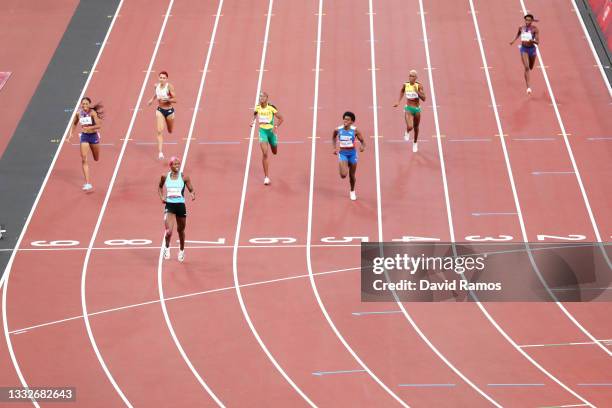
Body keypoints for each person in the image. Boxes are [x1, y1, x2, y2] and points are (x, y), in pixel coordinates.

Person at [159, 157, 195, 263]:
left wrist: (192, 194)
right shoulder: (164, 176)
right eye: (175, 164)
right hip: (169, 206)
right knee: (169, 231)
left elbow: (191, 189)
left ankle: (181, 250)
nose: (177, 166)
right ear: (170, 166)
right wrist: (162, 197)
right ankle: (166, 247)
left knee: (181, 230)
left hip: (180, 206)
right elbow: (160, 187)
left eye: (178, 164)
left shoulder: (184, 177)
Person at [68, 97, 103, 191]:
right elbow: (74, 123)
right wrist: (70, 134)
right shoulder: (79, 113)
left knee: (96, 158)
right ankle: (87, 183)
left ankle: (95, 153)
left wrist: (90, 128)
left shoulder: (92, 113)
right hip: (84, 137)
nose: (84, 105)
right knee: (84, 158)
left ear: (89, 104)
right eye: (83, 104)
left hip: (93, 136)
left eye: (86, 103)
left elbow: (99, 125)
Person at [251, 92, 283, 185]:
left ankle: (274, 142)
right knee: (265, 153)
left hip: (271, 133)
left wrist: (275, 126)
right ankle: (266, 177)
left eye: (262, 96)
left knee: (274, 152)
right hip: (263, 132)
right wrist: (252, 121)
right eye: (259, 96)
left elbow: (281, 118)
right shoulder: (257, 107)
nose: (260, 98)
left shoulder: (271, 107)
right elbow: (255, 114)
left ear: (266, 98)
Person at [332, 111, 365, 201]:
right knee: (343, 175)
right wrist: (334, 148)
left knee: (352, 176)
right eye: (344, 119)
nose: (345, 121)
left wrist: (362, 147)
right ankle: (343, 164)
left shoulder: (355, 130)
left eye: (348, 119)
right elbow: (333, 137)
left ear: (352, 121)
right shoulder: (338, 129)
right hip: (343, 154)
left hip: (352, 154)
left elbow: (362, 141)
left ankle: (352, 191)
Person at [393, 70, 426, 152]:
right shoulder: (405, 84)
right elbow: (402, 91)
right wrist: (398, 102)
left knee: (416, 127)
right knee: (410, 126)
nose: (410, 77)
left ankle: (415, 143)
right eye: (409, 75)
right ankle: (407, 132)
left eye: (412, 76)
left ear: (416, 78)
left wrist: (416, 91)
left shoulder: (419, 86)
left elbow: (424, 98)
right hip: (408, 108)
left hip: (417, 109)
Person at [147, 71, 176, 159]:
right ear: (159, 78)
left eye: (164, 78)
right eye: (161, 77)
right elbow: (156, 93)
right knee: (159, 131)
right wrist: (152, 100)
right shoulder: (156, 85)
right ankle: (160, 152)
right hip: (160, 110)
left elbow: (175, 99)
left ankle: (169, 125)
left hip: (169, 111)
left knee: (170, 130)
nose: (162, 79)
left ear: (166, 79)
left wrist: (167, 100)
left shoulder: (169, 87)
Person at [510, 14, 539, 95]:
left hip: (532, 49)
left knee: (531, 67)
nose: (527, 21)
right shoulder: (521, 27)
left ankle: (531, 61)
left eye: (529, 20)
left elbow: (538, 42)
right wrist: (513, 40)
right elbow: (518, 34)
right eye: (526, 20)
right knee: (526, 67)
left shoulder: (535, 29)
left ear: (532, 21)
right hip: (524, 49)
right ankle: (528, 88)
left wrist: (532, 41)